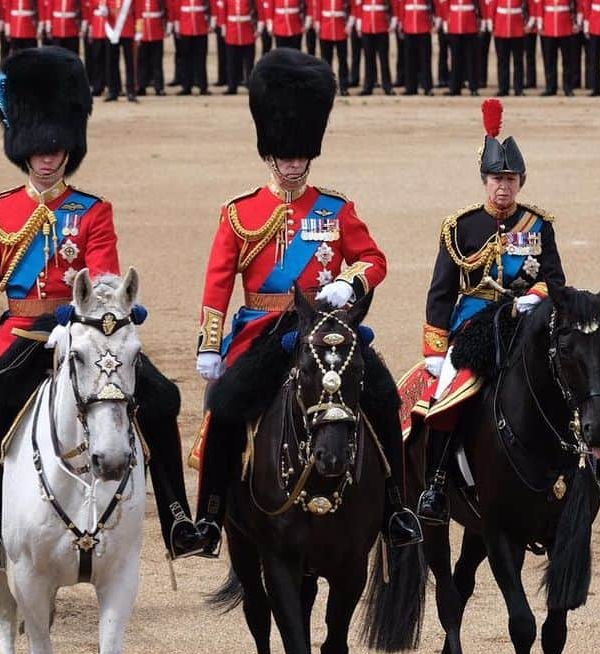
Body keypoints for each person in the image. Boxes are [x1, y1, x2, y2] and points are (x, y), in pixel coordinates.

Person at [0, 46, 206, 573]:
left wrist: (95, 318)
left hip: (84, 335)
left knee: (162, 400)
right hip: (24, 335)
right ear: (23, 149)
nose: (48, 158)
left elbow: (104, 278)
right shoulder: (0, 210)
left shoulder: (92, 211)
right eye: (39, 149)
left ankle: (176, 518)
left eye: (56, 149)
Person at [192, 48, 422, 551]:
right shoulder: (240, 213)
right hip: (261, 330)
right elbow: (217, 282)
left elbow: (374, 258)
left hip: (326, 330)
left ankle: (396, 508)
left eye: (301, 155)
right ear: (269, 153)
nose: (294, 165)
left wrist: (351, 282)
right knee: (224, 405)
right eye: (286, 155)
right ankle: (210, 515)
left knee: (383, 396)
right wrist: (211, 345)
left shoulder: (336, 210)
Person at [416, 100, 565, 522]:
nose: (504, 187)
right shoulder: (460, 227)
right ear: (484, 180)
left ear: (521, 182)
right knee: (448, 396)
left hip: (527, 321)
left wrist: (535, 296)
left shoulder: (538, 225)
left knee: (572, 381)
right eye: (497, 179)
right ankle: (436, 484)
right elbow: (441, 292)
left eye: (511, 179)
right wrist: (434, 348)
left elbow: (555, 278)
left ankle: (595, 469)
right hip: (475, 326)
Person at [217, 0, 256, 94]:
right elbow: (223, 10)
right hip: (232, 31)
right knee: (231, 62)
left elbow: (257, 9)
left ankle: (250, 85)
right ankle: (232, 86)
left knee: (249, 62)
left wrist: (258, 27)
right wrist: (223, 27)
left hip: (247, 30)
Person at [490, 0, 527, 95]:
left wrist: (528, 23)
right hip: (501, 27)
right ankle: (503, 88)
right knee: (502, 61)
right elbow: (492, 6)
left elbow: (528, 6)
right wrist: (492, 23)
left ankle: (518, 88)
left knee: (518, 61)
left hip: (517, 28)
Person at [316, 0, 352, 93]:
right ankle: (327, 86)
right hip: (326, 29)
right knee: (326, 61)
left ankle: (344, 86)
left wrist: (349, 24)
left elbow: (351, 7)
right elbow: (318, 7)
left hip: (340, 29)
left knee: (343, 60)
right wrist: (318, 23)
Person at [135, 0, 167, 94]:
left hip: (156, 31)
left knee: (157, 61)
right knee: (141, 61)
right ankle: (141, 86)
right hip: (142, 32)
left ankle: (159, 87)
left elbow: (165, 10)